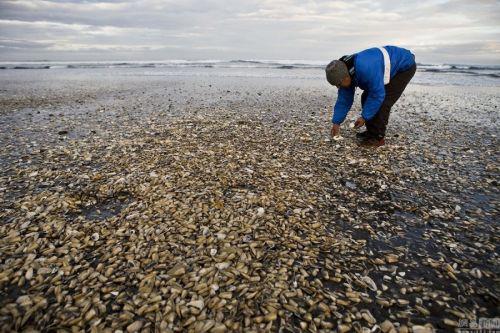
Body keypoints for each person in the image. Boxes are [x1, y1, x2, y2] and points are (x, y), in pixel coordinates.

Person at [325, 46, 416, 147]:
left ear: (346, 77)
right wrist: (336, 123)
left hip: (404, 67)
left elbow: (377, 95)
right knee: (366, 97)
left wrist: (364, 117)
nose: (338, 87)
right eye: (336, 85)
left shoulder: (365, 69)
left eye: (339, 84)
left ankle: (378, 138)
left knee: (383, 102)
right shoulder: (343, 72)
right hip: (382, 66)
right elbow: (344, 100)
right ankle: (371, 132)